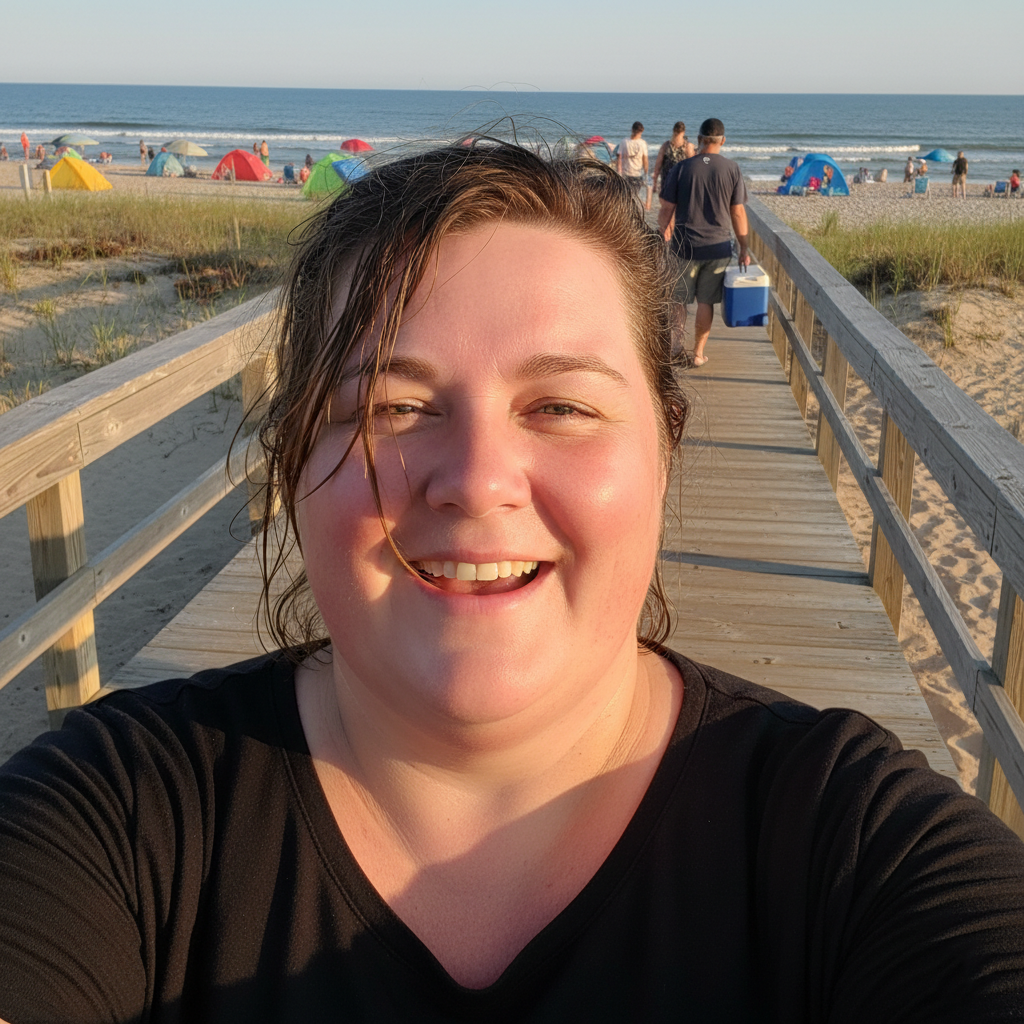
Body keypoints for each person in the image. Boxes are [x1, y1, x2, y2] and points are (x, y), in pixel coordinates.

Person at [1, 142, 1024, 1022]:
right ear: (293, 463)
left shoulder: (848, 841)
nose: (478, 478)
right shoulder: (116, 815)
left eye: (560, 407)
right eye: (392, 407)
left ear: (663, 453)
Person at [658, 117, 750, 367]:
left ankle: (676, 347)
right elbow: (738, 212)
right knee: (705, 302)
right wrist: (744, 247)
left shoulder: (682, 168)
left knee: (679, 300)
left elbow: (666, 207)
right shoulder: (732, 169)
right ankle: (698, 353)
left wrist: (662, 234)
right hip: (718, 247)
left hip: (684, 246)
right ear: (723, 140)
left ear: (699, 139)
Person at [652, 121, 694, 197]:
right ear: (684, 132)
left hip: (667, 183)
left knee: (666, 204)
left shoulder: (666, 146)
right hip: (682, 183)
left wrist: (654, 182)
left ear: (673, 130)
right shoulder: (688, 146)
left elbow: (658, 166)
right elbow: (693, 167)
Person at [615, 120, 648, 201]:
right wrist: (646, 174)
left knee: (625, 197)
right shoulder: (642, 143)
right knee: (634, 196)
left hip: (626, 174)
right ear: (641, 131)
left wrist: (619, 172)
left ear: (632, 130)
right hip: (637, 175)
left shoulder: (624, 141)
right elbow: (645, 161)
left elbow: (619, 159)